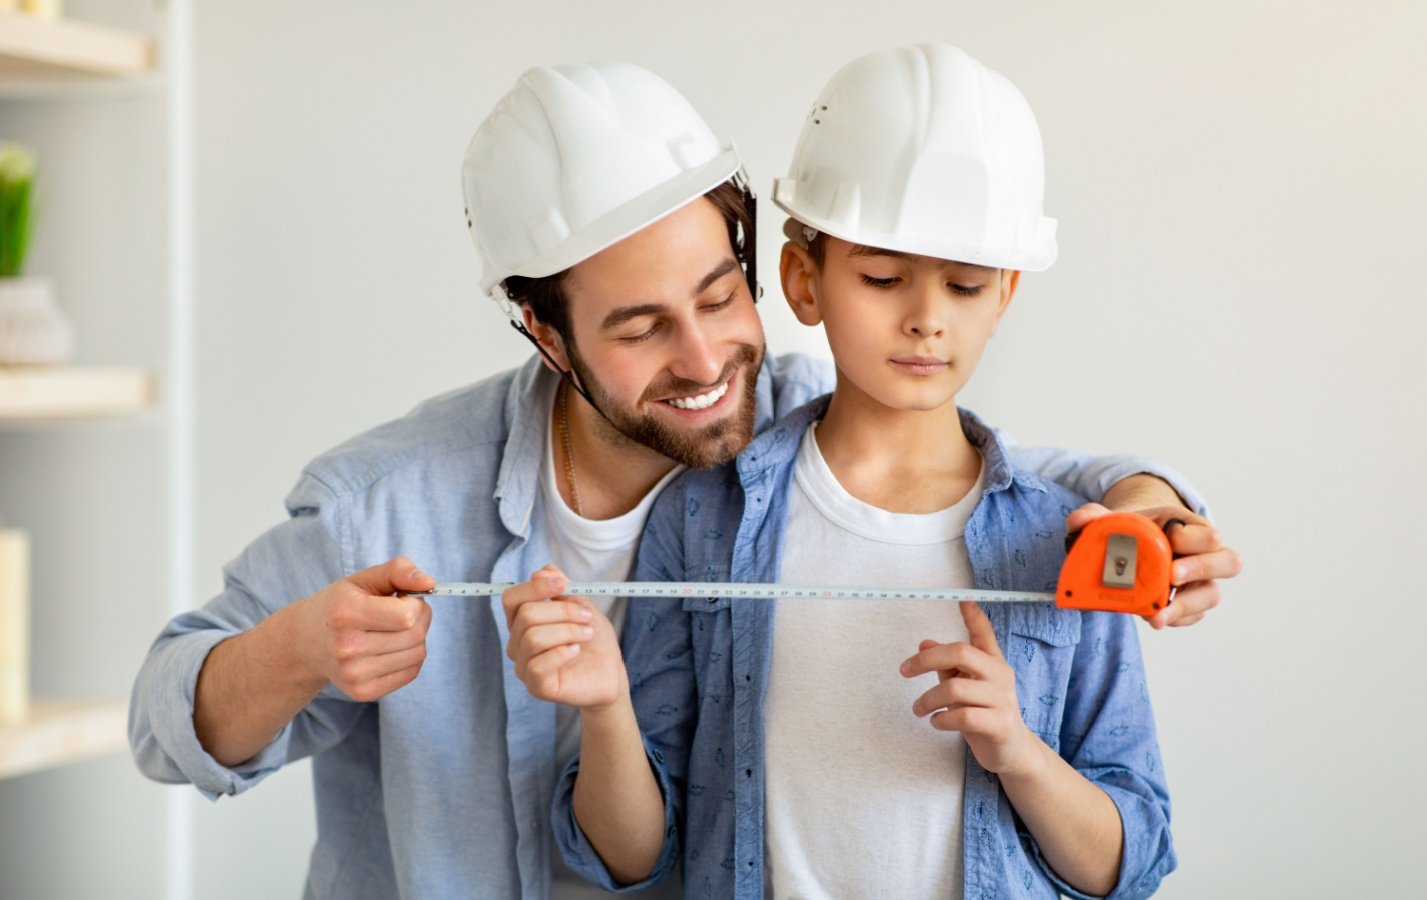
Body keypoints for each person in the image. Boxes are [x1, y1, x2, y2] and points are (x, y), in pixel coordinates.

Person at [130, 60, 1236, 900]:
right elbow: (161, 722)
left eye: (719, 296)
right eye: (642, 327)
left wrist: (1147, 498)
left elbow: (994, 476)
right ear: (546, 334)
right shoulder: (390, 503)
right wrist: (300, 647)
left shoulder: (793, 413)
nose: (706, 363)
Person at [515, 45, 1204, 898]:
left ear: (1006, 295)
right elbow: (632, 857)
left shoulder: (1069, 537)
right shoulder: (705, 517)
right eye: (882, 278)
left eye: (964, 285)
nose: (924, 320)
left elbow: (1128, 865)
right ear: (803, 282)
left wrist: (1017, 754)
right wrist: (605, 706)